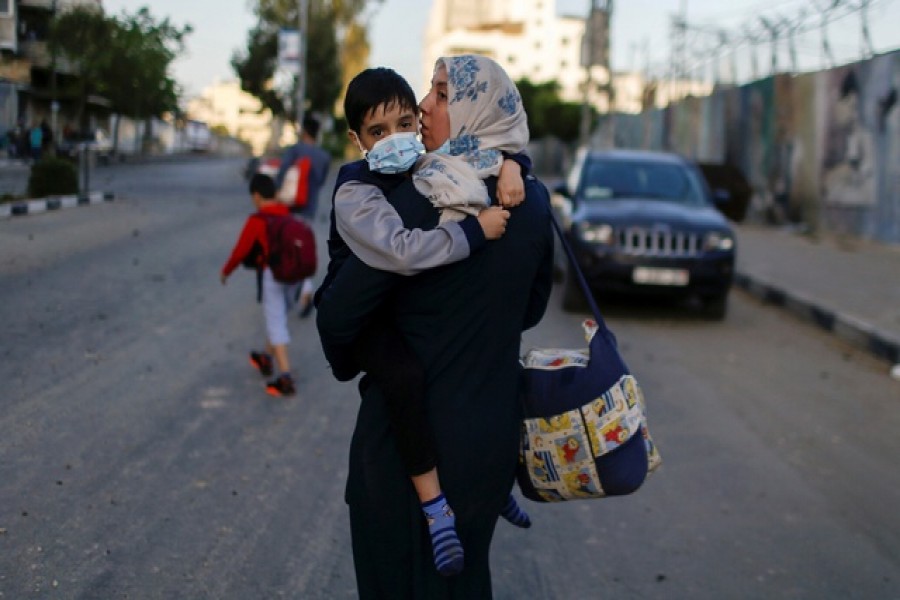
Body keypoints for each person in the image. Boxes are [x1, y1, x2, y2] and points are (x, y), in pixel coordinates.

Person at [317, 54, 554, 598]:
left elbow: (338, 314)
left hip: (404, 455)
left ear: (475, 110)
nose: (424, 107)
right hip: (486, 449)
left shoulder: (420, 198)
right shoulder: (533, 202)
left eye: (443, 96)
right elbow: (531, 309)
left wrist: (352, 353)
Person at [220, 173, 300, 397]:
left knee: (276, 322)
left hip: (273, 275)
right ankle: (266, 356)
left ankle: (286, 377)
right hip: (293, 275)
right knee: (279, 316)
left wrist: (226, 272)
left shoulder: (258, 220)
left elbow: (240, 251)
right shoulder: (287, 213)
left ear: (256, 196)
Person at [274, 115, 332, 318]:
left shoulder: (295, 150)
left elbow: (281, 175)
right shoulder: (324, 157)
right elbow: (322, 181)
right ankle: (305, 292)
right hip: (310, 208)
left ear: (304, 131)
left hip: (290, 207)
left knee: (286, 248)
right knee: (301, 248)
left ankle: (286, 294)